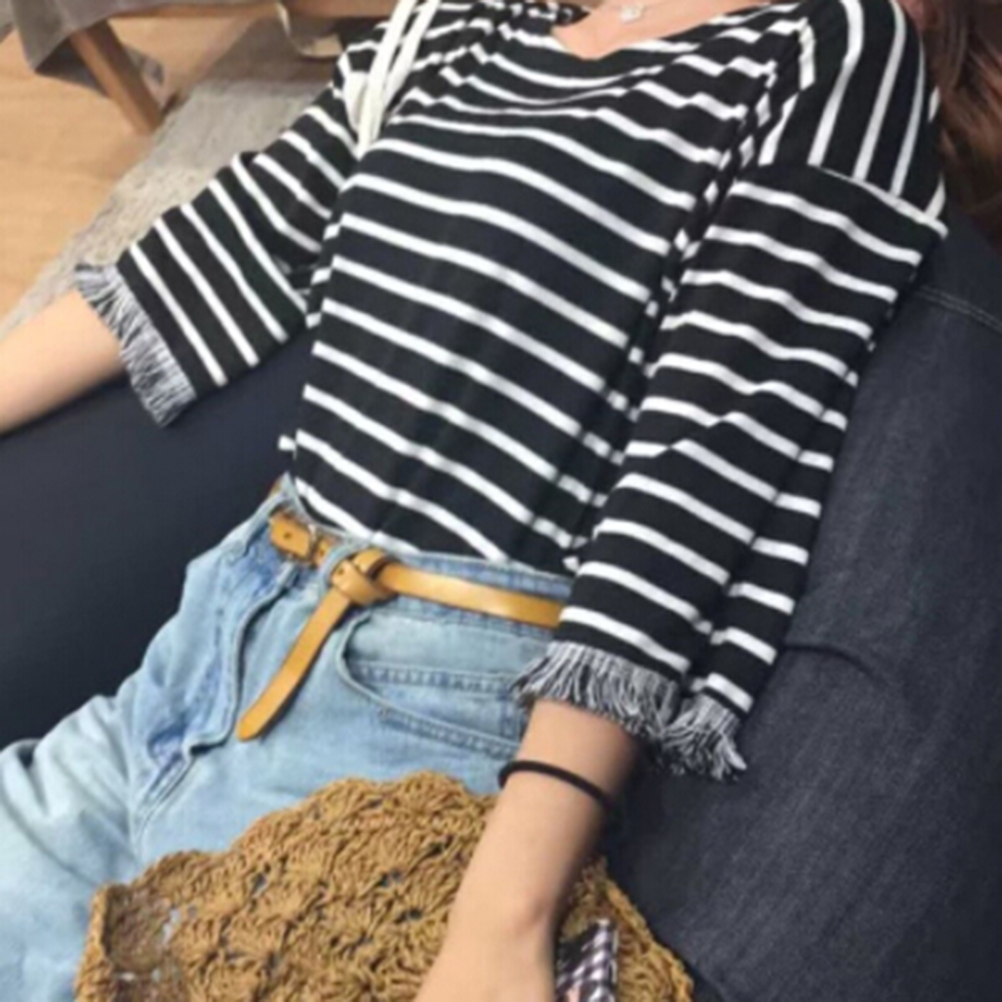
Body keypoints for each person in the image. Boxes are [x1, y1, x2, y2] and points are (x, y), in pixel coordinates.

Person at [0, 0, 994, 998]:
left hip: (413, 714)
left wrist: (503, 916)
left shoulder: (827, 50)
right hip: (205, 649)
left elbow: (692, 488)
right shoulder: (465, 22)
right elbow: (216, 257)